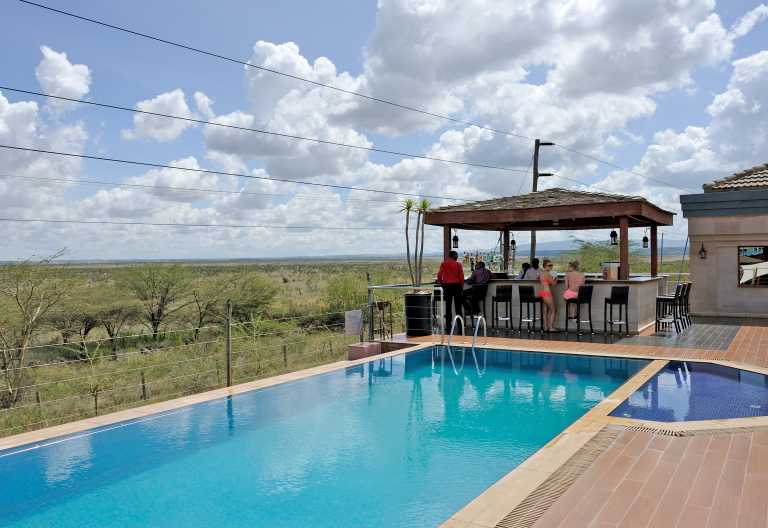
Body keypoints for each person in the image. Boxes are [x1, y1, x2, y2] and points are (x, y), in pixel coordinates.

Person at [437, 250, 464, 332]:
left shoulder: (443, 264)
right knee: (458, 308)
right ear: (454, 256)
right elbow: (461, 277)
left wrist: (442, 284)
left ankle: (448, 328)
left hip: (447, 287)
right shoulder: (458, 264)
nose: (457, 257)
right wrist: (461, 287)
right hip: (457, 286)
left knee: (448, 308)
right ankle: (461, 328)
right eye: (456, 255)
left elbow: (439, 275)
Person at [538, 259, 558, 331]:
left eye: (551, 265)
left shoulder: (541, 273)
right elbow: (554, 283)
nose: (551, 267)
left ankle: (545, 327)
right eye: (549, 265)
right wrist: (556, 278)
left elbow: (544, 281)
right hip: (547, 293)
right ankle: (551, 327)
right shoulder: (547, 274)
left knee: (545, 310)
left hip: (542, 292)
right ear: (545, 266)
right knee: (554, 310)